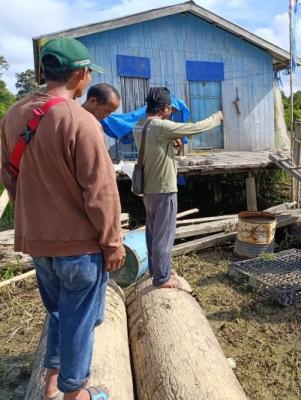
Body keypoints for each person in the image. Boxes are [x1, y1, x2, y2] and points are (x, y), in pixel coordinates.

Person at [0, 38, 125, 400]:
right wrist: (113, 242)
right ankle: (75, 394)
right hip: (81, 248)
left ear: (43, 73)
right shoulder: (80, 121)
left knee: (58, 315)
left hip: (40, 245)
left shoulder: (12, 116)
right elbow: (100, 192)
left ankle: (51, 386)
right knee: (80, 323)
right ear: (81, 75)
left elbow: (10, 177)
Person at [132, 87, 223, 290]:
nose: (171, 112)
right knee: (164, 234)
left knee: (152, 231)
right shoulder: (162, 126)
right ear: (164, 108)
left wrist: (171, 142)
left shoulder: (139, 125)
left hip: (147, 188)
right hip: (164, 188)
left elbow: (153, 148)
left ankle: (156, 270)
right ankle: (162, 278)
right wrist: (215, 118)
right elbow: (195, 127)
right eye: (170, 109)